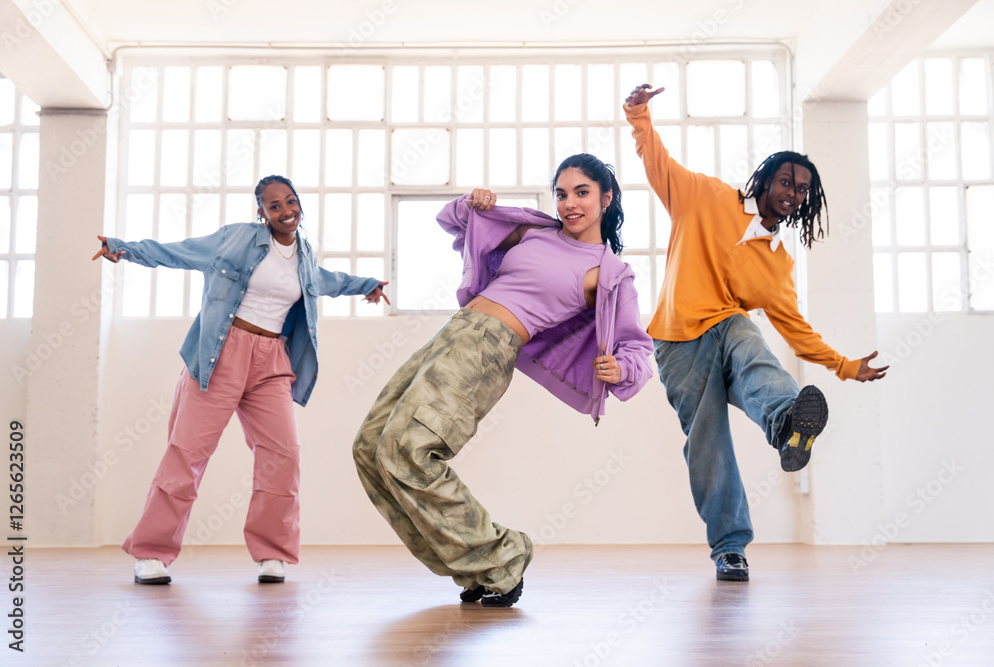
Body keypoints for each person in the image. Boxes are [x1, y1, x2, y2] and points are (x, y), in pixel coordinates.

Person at [352, 154, 654, 607]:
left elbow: (638, 349)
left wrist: (621, 369)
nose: (569, 203)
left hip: (488, 351)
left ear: (606, 198)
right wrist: (474, 201)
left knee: (408, 451)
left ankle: (503, 558)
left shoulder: (607, 272)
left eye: (582, 192)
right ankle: (473, 568)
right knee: (370, 446)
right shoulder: (535, 230)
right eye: (562, 193)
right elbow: (456, 221)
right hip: (452, 335)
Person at [623, 85, 888, 582]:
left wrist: (845, 366)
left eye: (803, 189)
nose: (794, 193)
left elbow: (795, 328)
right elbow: (657, 162)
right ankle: (730, 548)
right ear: (766, 180)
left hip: (725, 332)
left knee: (747, 335)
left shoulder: (778, 263)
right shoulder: (706, 197)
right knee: (708, 442)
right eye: (787, 181)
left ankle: (788, 422)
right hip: (678, 343)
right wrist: (639, 114)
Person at [93, 175, 389, 585]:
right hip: (221, 353)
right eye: (274, 205)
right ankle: (151, 553)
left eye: (291, 202)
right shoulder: (236, 240)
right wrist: (125, 249)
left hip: (271, 362)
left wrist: (367, 286)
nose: (286, 211)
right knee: (187, 454)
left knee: (283, 454)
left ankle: (273, 553)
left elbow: (324, 280)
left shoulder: (303, 255)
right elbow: (180, 253)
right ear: (261, 212)